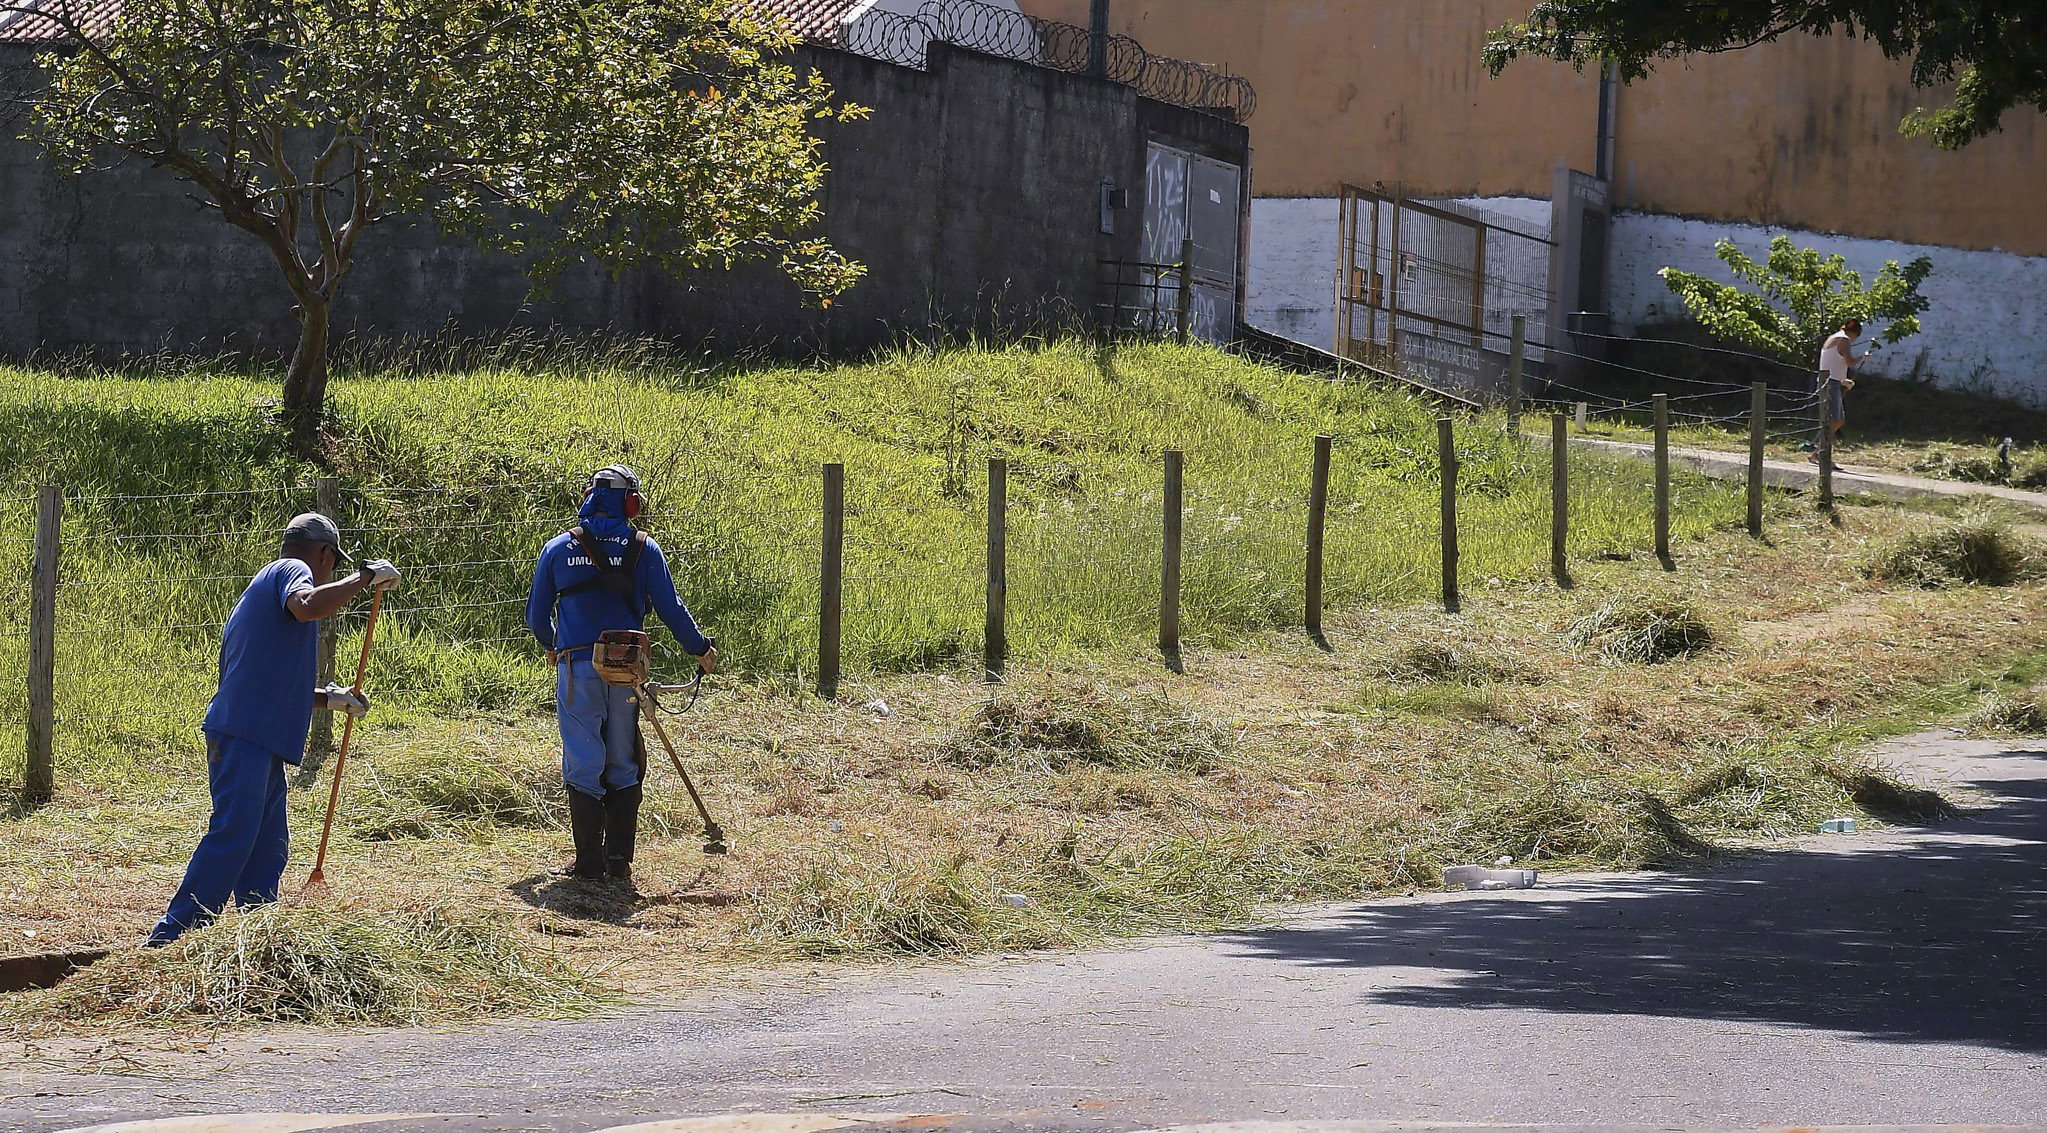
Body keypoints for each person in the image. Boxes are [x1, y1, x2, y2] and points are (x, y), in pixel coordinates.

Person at [146, 514, 400, 946]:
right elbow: (307, 606)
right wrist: (364, 577)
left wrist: (330, 698)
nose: (329, 573)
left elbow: (270, 680)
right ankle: (171, 940)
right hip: (245, 735)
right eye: (333, 566)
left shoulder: (264, 597)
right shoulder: (290, 572)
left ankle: (258, 937)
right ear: (324, 555)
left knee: (268, 846)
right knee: (234, 835)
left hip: (256, 737)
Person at [525, 466, 716, 885]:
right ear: (630, 502)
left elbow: (536, 617)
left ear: (592, 497)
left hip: (577, 667)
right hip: (627, 670)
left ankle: (588, 864)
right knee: (623, 759)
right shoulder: (645, 550)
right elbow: (671, 608)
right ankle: (618, 861)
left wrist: (556, 645)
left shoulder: (558, 549)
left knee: (583, 758)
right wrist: (701, 650)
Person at [1811, 318, 1873, 469]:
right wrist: (1863, 358)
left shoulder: (1833, 338)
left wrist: (1842, 380)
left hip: (1829, 381)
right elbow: (1850, 362)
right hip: (1830, 384)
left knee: (1837, 420)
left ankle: (1818, 450)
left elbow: (1831, 362)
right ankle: (1820, 454)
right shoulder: (1844, 340)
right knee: (1833, 420)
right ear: (1855, 333)